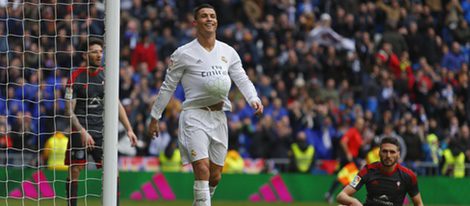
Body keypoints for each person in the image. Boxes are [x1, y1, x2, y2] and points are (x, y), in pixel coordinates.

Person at [147, 4, 263, 206]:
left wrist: (254, 98)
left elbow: (242, 79)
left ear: (217, 21)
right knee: (202, 169)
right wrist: (155, 116)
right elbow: (168, 86)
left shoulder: (228, 51)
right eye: (204, 16)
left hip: (219, 117)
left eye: (212, 16)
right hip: (194, 116)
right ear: (195, 22)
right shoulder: (183, 53)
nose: (209, 19)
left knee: (215, 175)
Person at [64, 38, 138, 206]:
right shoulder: (75, 77)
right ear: (85, 55)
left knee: (112, 170)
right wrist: (82, 131)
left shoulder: (107, 75)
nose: (99, 55)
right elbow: (68, 110)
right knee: (75, 169)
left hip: (100, 131)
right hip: (79, 129)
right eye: (94, 52)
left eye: (100, 52)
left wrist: (129, 129)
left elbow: (116, 104)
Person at [336, 137, 424, 206]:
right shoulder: (367, 170)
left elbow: (419, 203)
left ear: (398, 154)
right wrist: (354, 202)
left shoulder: (408, 176)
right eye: (385, 151)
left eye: (392, 152)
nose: (388, 155)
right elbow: (341, 196)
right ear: (379, 153)